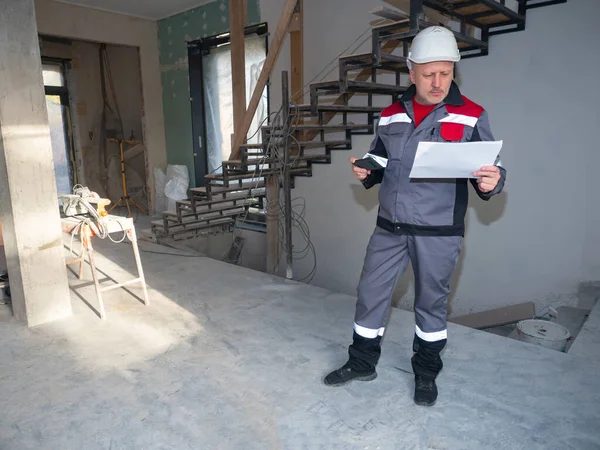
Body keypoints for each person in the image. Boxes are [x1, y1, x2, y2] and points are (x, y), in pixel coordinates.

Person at [323, 26, 506, 407]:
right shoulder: (391, 115)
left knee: (431, 304)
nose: (438, 82)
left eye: (446, 72)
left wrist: (492, 180)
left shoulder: (471, 115)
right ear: (412, 71)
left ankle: (425, 373)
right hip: (389, 227)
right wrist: (367, 171)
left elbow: (489, 169)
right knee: (371, 295)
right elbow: (380, 158)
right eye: (428, 74)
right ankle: (362, 363)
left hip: (439, 232)